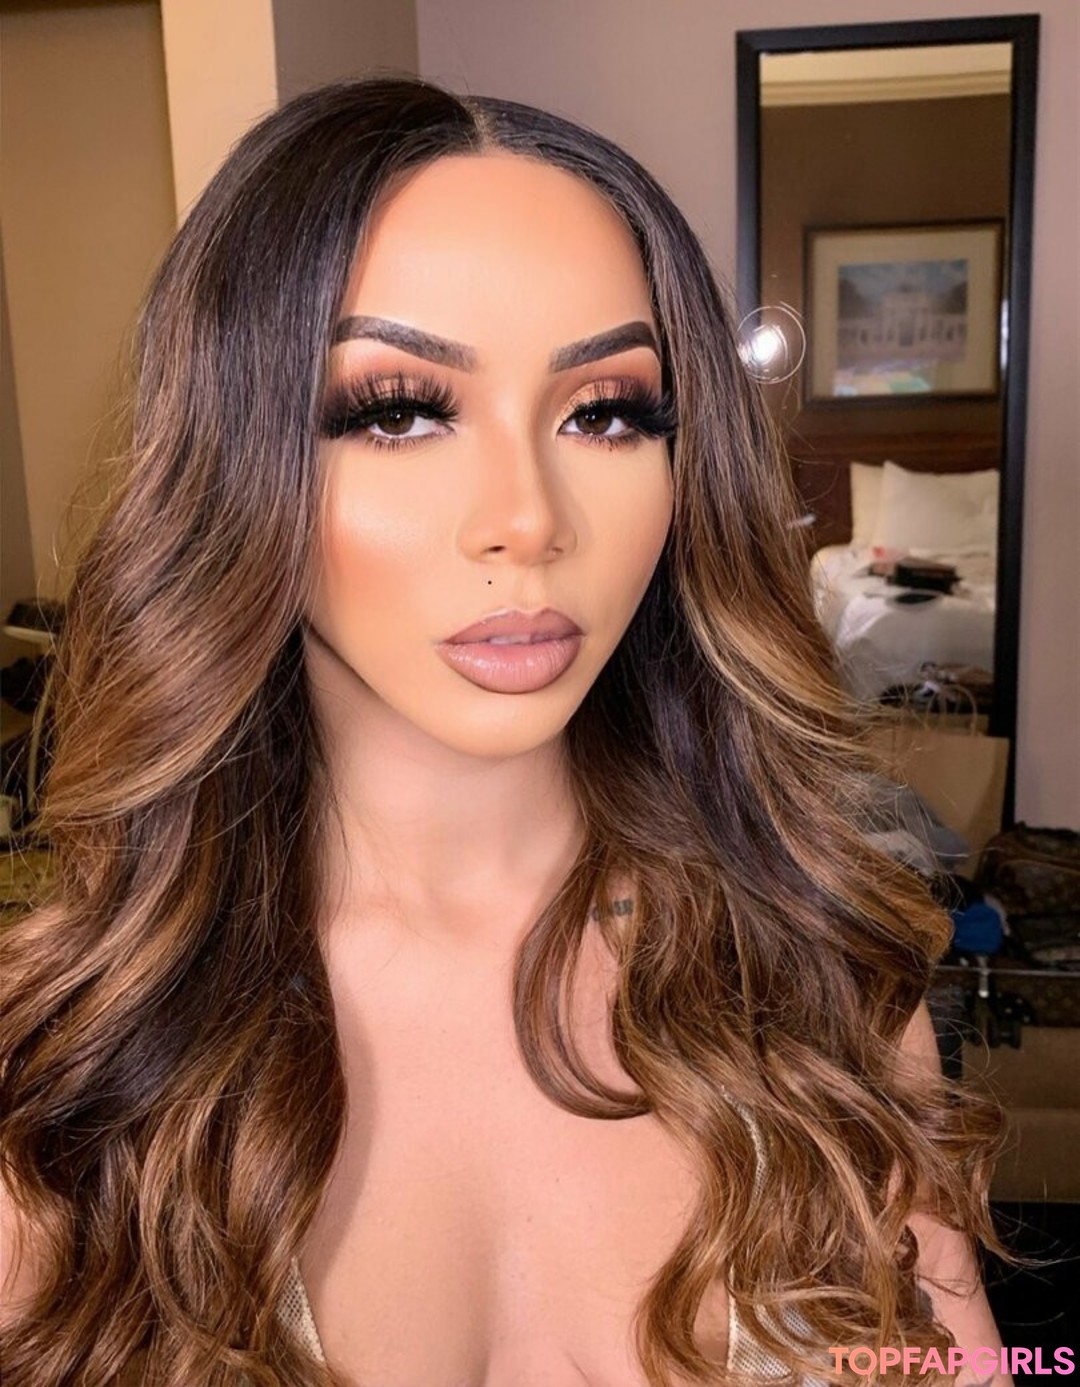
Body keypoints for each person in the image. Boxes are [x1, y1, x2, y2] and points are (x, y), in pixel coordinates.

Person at [0, 77, 1013, 1387]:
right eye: (398, 410)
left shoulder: (821, 982)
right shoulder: (66, 1065)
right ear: (235, 465)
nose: (529, 520)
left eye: (605, 412)